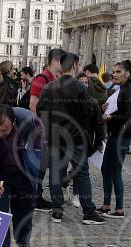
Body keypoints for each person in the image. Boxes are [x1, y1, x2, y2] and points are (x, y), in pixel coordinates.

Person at [38, 53, 106, 225]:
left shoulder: (49, 87)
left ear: (61, 65)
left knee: (55, 174)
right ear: (75, 65)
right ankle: (88, 211)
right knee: (82, 174)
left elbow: (41, 110)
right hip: (75, 138)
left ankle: (57, 211)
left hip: (55, 137)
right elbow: (86, 112)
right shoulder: (80, 87)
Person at [0, 105, 44, 247]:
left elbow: (40, 134)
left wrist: (36, 155)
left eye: (4, 131)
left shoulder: (29, 121)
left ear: (13, 123)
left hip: (24, 172)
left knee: (25, 209)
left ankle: (23, 241)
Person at [99, 60, 131, 219]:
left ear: (127, 73)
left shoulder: (130, 89)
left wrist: (110, 117)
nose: (114, 74)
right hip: (115, 134)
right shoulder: (121, 88)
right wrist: (105, 108)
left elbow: (130, 117)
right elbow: (118, 108)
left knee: (115, 170)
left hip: (122, 136)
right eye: (113, 71)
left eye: (118, 72)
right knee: (105, 169)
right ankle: (106, 205)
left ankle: (119, 209)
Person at [31, 48, 66, 212]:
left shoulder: (55, 79)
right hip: (42, 132)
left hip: (53, 132)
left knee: (46, 166)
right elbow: (33, 106)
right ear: (55, 61)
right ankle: (35, 197)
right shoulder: (42, 78)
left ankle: (38, 196)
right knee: (40, 167)